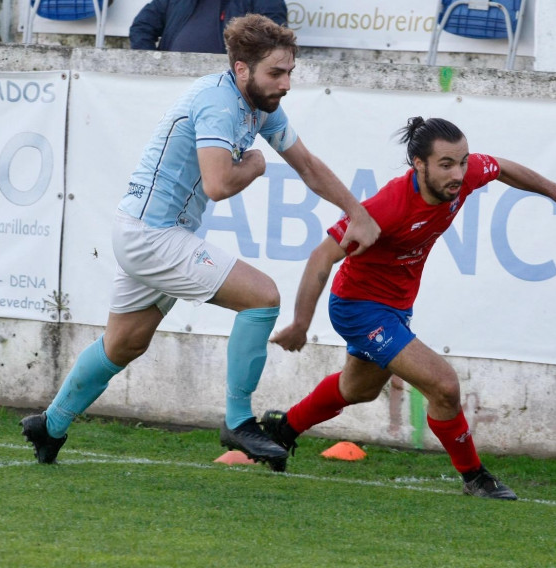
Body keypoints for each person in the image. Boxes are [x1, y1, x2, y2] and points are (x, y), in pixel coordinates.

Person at [19, 15, 380, 472]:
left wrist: (358, 212)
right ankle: (238, 421)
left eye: (290, 72)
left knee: (124, 344)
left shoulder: (260, 102)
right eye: (277, 72)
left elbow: (307, 164)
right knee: (262, 298)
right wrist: (255, 165)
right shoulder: (218, 103)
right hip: (153, 235)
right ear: (242, 69)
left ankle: (49, 425)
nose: (286, 83)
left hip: (147, 231)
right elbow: (217, 183)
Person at [263, 117, 556, 499]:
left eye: (463, 161)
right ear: (418, 164)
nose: (459, 173)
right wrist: (300, 324)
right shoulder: (388, 206)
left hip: (395, 307)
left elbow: (503, 167)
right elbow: (322, 257)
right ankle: (475, 477)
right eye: (446, 165)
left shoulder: (463, 176)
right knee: (444, 386)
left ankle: (282, 429)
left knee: (358, 389)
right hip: (359, 308)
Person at [130, 0, 288, 54]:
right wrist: (155, 68)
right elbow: (141, 27)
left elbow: (272, 38)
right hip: (171, 84)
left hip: (230, 89)